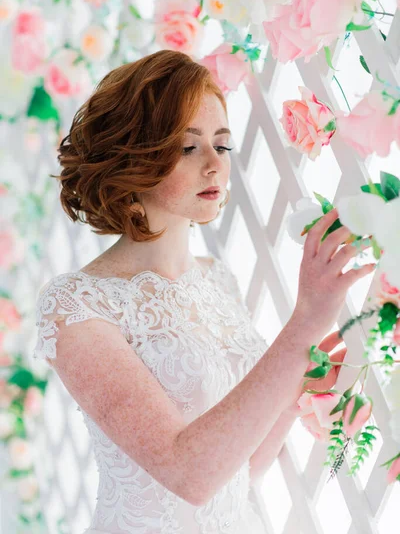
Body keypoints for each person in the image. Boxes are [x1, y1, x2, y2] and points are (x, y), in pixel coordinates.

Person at [33, 50, 376, 534]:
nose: (215, 165)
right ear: (135, 158)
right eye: (188, 148)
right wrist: (303, 325)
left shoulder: (217, 278)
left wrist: (302, 379)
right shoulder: (76, 306)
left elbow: (240, 471)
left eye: (222, 144)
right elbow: (187, 473)